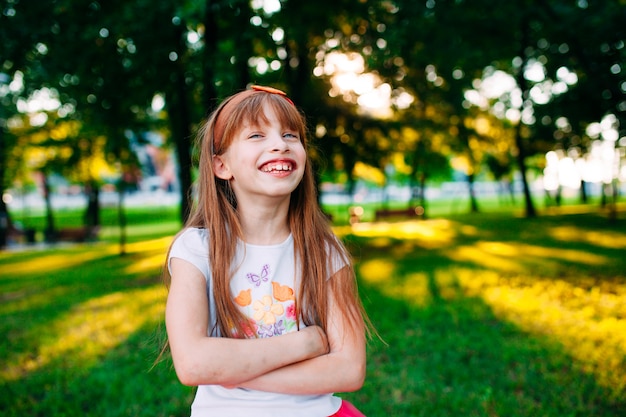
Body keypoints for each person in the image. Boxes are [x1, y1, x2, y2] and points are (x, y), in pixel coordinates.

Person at [164, 85, 373, 417]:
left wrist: (231, 371)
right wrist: (306, 343)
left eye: (291, 135)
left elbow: (349, 370)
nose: (280, 144)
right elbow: (192, 364)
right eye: (257, 135)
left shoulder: (325, 251)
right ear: (221, 166)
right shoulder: (196, 249)